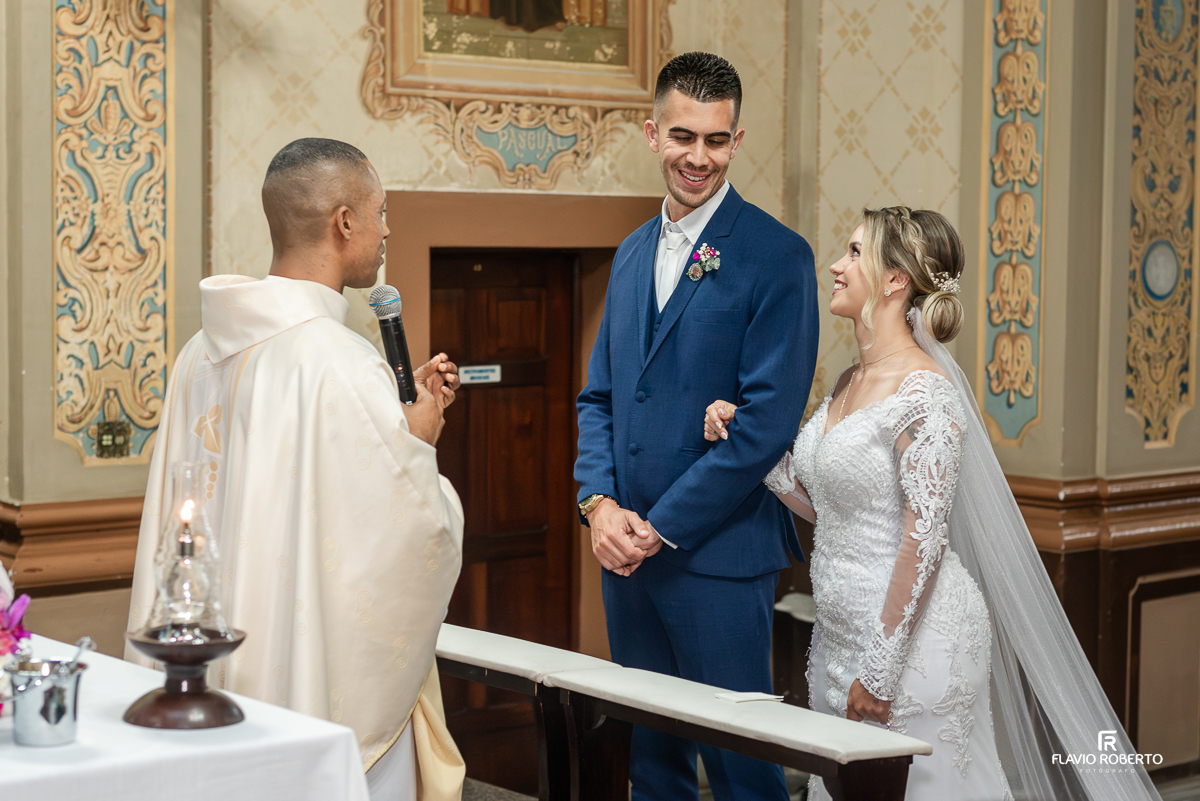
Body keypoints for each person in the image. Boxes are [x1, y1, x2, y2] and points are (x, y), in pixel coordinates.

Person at [705, 206, 1162, 801]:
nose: (836, 268)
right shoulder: (848, 381)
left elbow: (922, 538)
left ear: (896, 280)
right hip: (839, 632)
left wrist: (883, 667)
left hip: (916, 647)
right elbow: (834, 509)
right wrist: (749, 442)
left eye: (853, 253)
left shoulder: (925, 395)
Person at [126, 138, 466, 801]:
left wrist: (390, 422)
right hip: (304, 686)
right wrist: (418, 440)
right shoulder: (339, 361)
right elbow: (412, 533)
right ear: (344, 222)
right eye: (380, 211)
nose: (386, 228)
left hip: (208, 675)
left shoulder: (199, 352)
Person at [574, 52, 819, 801]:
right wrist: (600, 506)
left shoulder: (777, 256)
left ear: (737, 141)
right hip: (626, 559)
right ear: (652, 134)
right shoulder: (629, 254)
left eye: (716, 140)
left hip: (716, 555)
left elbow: (766, 426)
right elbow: (599, 399)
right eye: (684, 136)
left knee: (745, 770)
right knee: (653, 766)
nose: (698, 157)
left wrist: (661, 525)